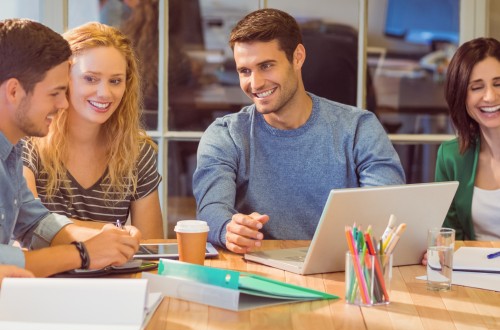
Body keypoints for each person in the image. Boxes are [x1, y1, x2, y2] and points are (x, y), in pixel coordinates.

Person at [193, 9, 405, 254]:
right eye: (245, 71)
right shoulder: (225, 135)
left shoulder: (359, 128)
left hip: (340, 267)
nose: (255, 83)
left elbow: (386, 211)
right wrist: (228, 229)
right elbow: (211, 209)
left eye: (266, 66)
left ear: (298, 57)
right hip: (258, 270)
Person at [0, 18, 141, 276]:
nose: (64, 104)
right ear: (13, 92)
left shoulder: (11, 150)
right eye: (55, 93)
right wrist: (83, 254)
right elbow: (4, 262)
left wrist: (106, 239)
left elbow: (36, 222)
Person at [22, 22, 163, 239]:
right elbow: (28, 229)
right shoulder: (27, 142)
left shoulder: (136, 151)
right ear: (63, 77)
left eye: (115, 81)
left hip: (114, 273)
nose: (105, 93)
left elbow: (151, 245)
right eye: (90, 78)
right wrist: (116, 232)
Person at [435, 37, 500, 241]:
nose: (490, 97)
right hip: (473, 271)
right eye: (476, 87)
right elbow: (449, 236)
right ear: (461, 96)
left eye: (498, 83)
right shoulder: (451, 157)